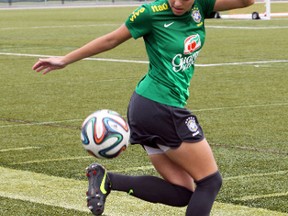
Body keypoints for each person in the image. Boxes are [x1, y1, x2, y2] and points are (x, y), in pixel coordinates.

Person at [32, 0, 254, 215]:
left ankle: (107, 180)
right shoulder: (150, 12)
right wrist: (65, 60)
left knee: (182, 193)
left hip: (148, 109)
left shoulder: (202, 5)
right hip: (160, 106)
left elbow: (246, 2)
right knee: (209, 181)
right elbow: (111, 39)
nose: (176, 3)